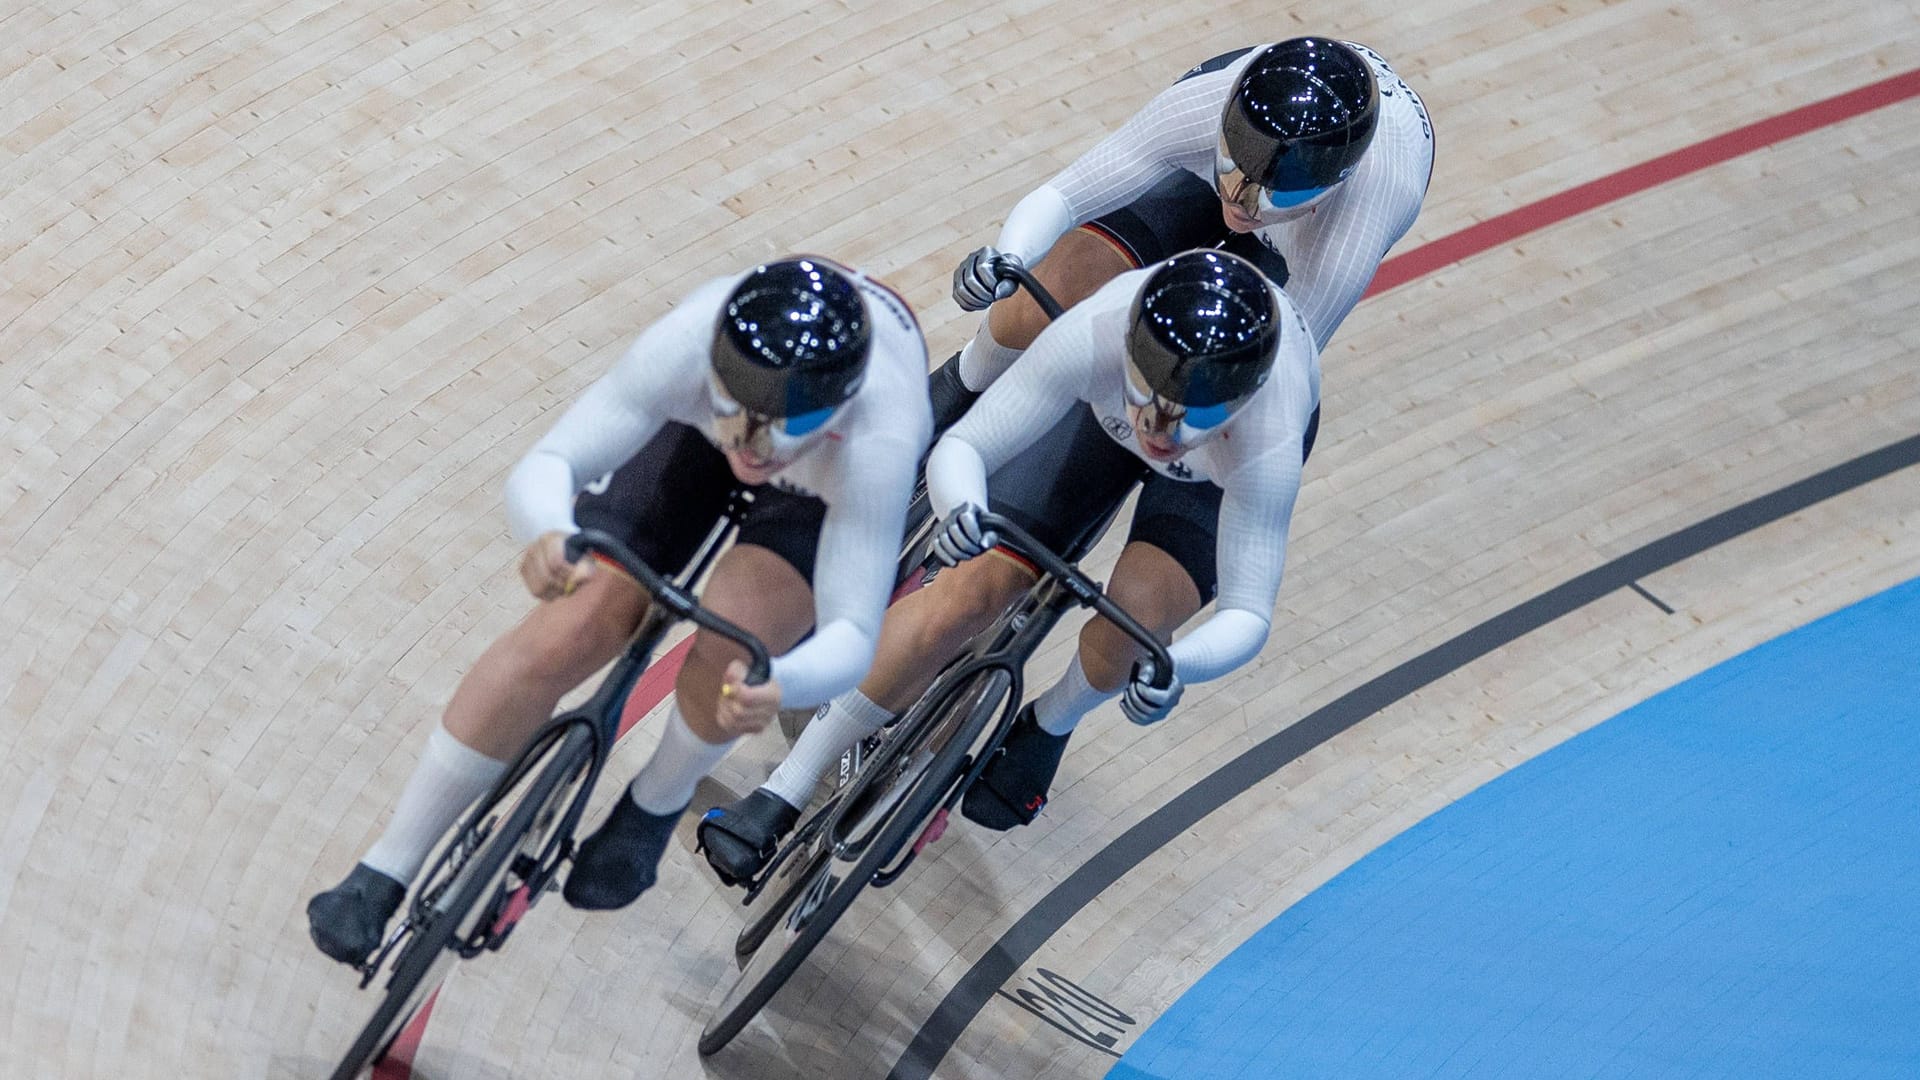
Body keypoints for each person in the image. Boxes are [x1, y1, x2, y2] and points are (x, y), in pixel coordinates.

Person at [305, 258, 931, 965]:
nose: (757, 443)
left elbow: (853, 629)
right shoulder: (689, 342)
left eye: (788, 423)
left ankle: (658, 802)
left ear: (840, 405)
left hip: (823, 488)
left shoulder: (880, 436)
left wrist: (783, 685)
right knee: (571, 624)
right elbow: (552, 462)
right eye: (740, 410)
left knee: (740, 649)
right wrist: (548, 532)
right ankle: (385, 867)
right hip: (697, 439)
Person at [698, 249, 1318, 883]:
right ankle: (784, 789)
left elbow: (1248, 611)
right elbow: (969, 442)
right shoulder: (1095, 333)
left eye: (1195, 415)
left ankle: (1052, 720)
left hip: (1208, 478)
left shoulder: (1268, 434)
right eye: (1148, 395)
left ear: (1243, 400)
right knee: (967, 593)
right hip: (1096, 422)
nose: (1160, 428)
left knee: (1131, 634)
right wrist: (963, 508)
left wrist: (1174, 665)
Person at [928, 36, 1431, 435]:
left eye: (1277, 190)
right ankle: (963, 380)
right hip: (1203, 167)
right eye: (1237, 170)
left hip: (1303, 239)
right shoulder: (1203, 106)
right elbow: (1064, 196)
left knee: (1198, 376)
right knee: (1066, 272)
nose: (1244, 199)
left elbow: (1274, 377)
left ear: (1331, 187)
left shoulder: (1353, 230)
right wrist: (1007, 259)